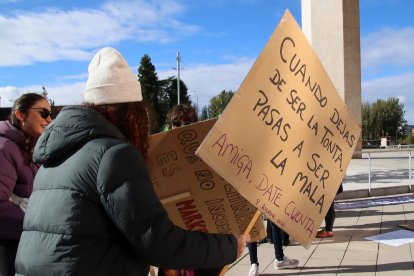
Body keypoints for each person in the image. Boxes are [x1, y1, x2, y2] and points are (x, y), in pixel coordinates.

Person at [15, 47, 249, 276]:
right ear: (130, 112)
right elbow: (157, 240)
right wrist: (229, 246)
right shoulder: (114, 154)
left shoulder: (53, 158)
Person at [158, 104, 222, 276]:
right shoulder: (159, 155)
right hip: (172, 239)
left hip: (202, 239)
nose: (181, 127)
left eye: (188, 123)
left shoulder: (206, 154)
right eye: (177, 123)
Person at [0, 93, 52, 275]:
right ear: (21, 115)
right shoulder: (5, 148)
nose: (49, 119)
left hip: (27, 240)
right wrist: (35, 226)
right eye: (43, 113)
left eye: (50, 113)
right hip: (10, 245)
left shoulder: (29, 145)